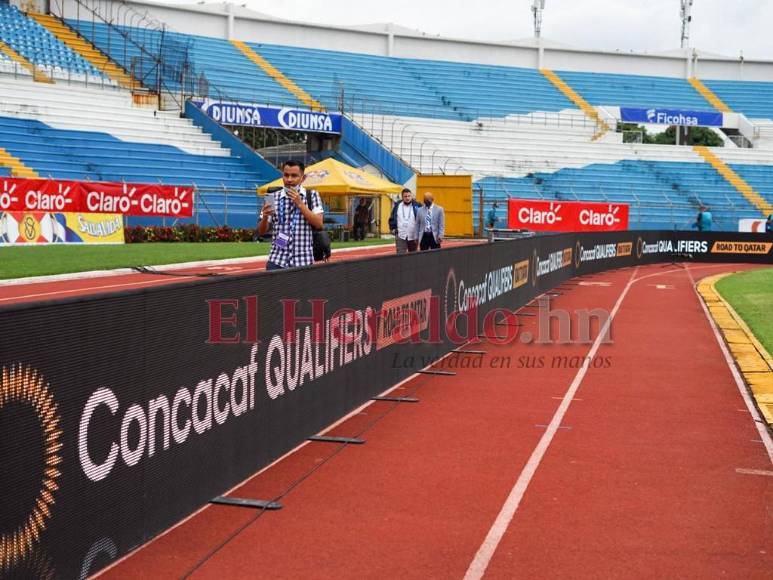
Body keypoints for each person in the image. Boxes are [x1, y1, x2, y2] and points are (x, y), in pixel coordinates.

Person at [258, 160, 324, 270]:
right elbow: (261, 232)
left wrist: (300, 204)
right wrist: (265, 217)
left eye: (294, 176)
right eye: (286, 175)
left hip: (303, 261)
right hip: (277, 260)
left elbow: (319, 224)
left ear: (303, 178)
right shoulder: (271, 197)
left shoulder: (312, 195)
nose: (289, 180)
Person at [389, 188, 421, 254]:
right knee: (400, 256)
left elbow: (422, 218)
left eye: (409, 196)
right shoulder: (397, 205)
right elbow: (392, 217)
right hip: (401, 235)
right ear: (402, 197)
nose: (407, 198)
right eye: (405, 196)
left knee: (413, 256)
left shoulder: (417, 205)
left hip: (413, 236)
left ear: (411, 196)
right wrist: (393, 228)